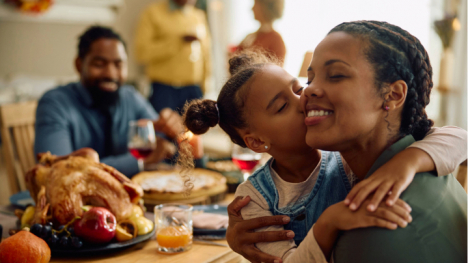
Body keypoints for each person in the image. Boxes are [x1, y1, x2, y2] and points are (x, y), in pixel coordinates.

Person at [179, 50, 467, 263]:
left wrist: (410, 160)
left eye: (298, 89)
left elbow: (460, 139)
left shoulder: (345, 153)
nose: (303, 100)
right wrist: (330, 222)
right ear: (256, 141)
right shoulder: (254, 200)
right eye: (281, 106)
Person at [302, 20, 467, 263]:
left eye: (336, 75)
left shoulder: (377, 221)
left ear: (393, 94)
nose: (309, 90)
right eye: (309, 79)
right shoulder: (423, 164)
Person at [35, 26, 183, 178]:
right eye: (99, 64)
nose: (110, 73)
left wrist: (171, 130)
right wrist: (138, 162)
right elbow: (58, 172)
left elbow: (163, 144)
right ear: (79, 65)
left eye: (118, 65)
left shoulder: (130, 97)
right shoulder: (55, 103)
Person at [135, 0, 212, 114]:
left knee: (195, 131)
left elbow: (206, 53)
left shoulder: (198, 16)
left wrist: (206, 86)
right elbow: (141, 52)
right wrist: (177, 42)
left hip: (194, 89)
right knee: (163, 131)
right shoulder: (152, 13)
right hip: (164, 90)